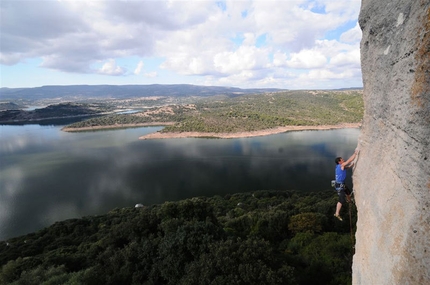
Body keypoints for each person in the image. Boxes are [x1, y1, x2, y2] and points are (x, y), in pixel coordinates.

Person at [333, 149, 359, 221]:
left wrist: (352, 165)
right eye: (342, 159)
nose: (343, 160)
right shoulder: (341, 165)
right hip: (339, 186)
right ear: (339, 162)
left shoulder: (340, 167)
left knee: (348, 192)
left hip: (341, 184)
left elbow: (347, 167)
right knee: (341, 199)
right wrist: (355, 154)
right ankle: (337, 213)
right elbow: (349, 161)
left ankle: (349, 201)